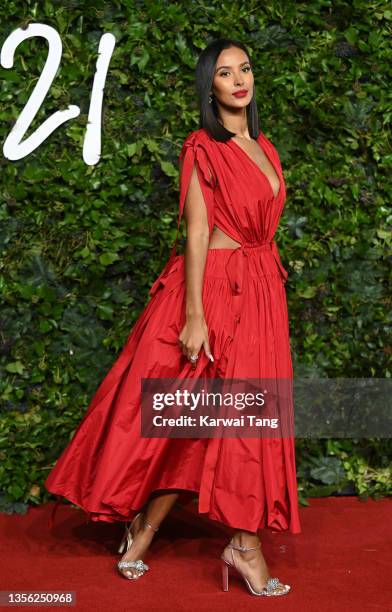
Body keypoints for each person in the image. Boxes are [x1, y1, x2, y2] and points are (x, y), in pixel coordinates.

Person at [44, 38, 301, 597]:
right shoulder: (202, 148)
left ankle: (170, 534)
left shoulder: (266, 146)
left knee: (228, 421)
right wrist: (194, 315)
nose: (239, 80)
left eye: (246, 69)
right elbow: (197, 231)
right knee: (189, 417)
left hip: (260, 291)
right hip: (215, 291)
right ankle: (222, 543)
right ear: (209, 87)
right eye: (225, 73)